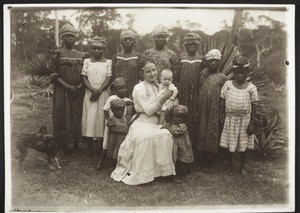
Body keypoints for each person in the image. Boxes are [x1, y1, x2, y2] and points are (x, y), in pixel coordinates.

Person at [111, 60, 176, 185]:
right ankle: (143, 174)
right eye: (148, 71)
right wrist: (163, 98)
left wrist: (169, 104)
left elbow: (169, 103)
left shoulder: (161, 85)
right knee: (144, 138)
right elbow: (149, 110)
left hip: (159, 121)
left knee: (166, 135)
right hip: (143, 120)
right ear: (143, 74)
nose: (152, 74)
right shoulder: (138, 88)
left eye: (154, 70)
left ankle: (163, 172)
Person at [47, 23, 88, 154]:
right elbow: (53, 74)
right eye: (67, 36)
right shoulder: (57, 53)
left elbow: (85, 74)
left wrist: (80, 86)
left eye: (72, 36)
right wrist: (67, 87)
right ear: (62, 38)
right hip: (62, 90)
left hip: (78, 90)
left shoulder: (82, 55)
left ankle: (76, 142)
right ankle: (63, 144)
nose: (70, 38)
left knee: (77, 114)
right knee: (62, 116)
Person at [219, 55, 258, 175]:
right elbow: (222, 100)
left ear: (247, 73)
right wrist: (222, 115)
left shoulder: (251, 88)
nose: (240, 75)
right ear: (233, 72)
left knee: (243, 144)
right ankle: (230, 165)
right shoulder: (228, 85)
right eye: (237, 73)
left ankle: (242, 166)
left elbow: (254, 105)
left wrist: (251, 122)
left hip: (245, 120)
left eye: (243, 73)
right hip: (230, 118)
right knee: (230, 142)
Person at [196, 49, 228, 169]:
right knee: (202, 128)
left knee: (212, 130)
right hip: (203, 107)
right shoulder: (202, 75)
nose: (213, 63)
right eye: (211, 61)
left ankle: (211, 158)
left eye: (216, 61)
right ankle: (202, 156)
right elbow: (199, 91)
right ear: (207, 62)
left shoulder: (223, 78)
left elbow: (225, 96)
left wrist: (222, 111)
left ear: (219, 62)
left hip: (215, 108)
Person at [81, 36, 112, 155]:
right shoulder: (87, 61)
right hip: (90, 92)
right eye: (94, 48)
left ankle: (100, 146)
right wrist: (92, 89)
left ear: (104, 49)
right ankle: (89, 146)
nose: (97, 51)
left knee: (101, 118)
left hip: (103, 93)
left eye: (100, 49)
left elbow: (109, 77)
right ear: (91, 49)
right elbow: (83, 76)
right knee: (89, 118)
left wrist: (98, 91)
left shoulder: (108, 62)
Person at [96, 77, 132, 170]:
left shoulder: (128, 100)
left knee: (119, 143)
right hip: (111, 124)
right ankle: (101, 161)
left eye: (124, 87)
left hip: (121, 124)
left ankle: (117, 163)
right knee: (106, 142)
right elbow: (105, 109)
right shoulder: (112, 98)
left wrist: (130, 103)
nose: (122, 90)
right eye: (119, 88)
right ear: (115, 90)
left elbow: (129, 114)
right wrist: (109, 120)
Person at [178, 33, 204, 148]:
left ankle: (194, 149)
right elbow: (176, 76)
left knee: (195, 118)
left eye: (194, 44)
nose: (191, 46)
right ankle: (182, 147)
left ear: (198, 45)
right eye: (189, 44)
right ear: (185, 45)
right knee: (183, 116)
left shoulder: (202, 59)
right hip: (183, 93)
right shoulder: (181, 58)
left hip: (197, 93)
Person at [162, 105, 194, 177]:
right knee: (176, 158)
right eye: (176, 117)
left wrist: (167, 128)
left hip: (183, 145)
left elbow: (175, 133)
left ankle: (185, 172)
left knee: (183, 158)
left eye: (180, 117)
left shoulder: (182, 126)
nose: (178, 119)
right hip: (176, 145)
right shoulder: (171, 125)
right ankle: (177, 172)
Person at [112, 30, 142, 96]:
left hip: (133, 91)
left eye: (130, 39)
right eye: (125, 39)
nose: (128, 41)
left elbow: (141, 76)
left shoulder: (138, 56)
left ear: (134, 42)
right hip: (117, 92)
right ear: (121, 42)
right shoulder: (117, 56)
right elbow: (112, 75)